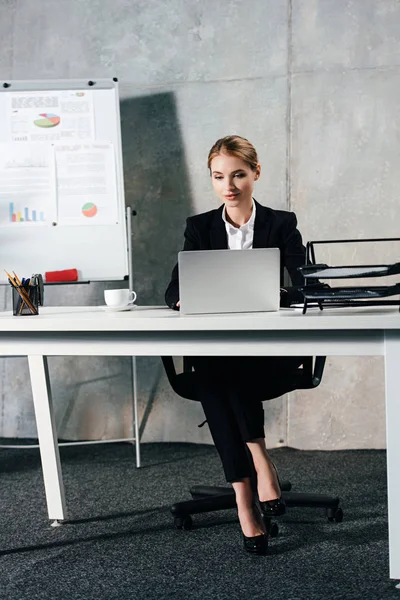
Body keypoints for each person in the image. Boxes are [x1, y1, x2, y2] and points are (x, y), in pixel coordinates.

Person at [165, 135, 306, 555]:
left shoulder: (281, 224)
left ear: (255, 173)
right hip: (218, 352)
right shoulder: (200, 227)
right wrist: (183, 298)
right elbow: (175, 287)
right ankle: (248, 490)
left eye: (239, 174)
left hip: (270, 355)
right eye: (219, 176)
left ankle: (255, 469)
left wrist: (278, 294)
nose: (229, 185)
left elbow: (305, 282)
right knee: (216, 372)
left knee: (219, 376)